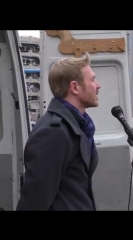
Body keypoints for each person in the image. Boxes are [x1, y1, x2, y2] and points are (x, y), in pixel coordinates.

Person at [17, 52, 101, 211]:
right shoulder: (53, 132)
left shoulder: (76, 126)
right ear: (75, 87)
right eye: (92, 79)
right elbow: (35, 200)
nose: (98, 85)